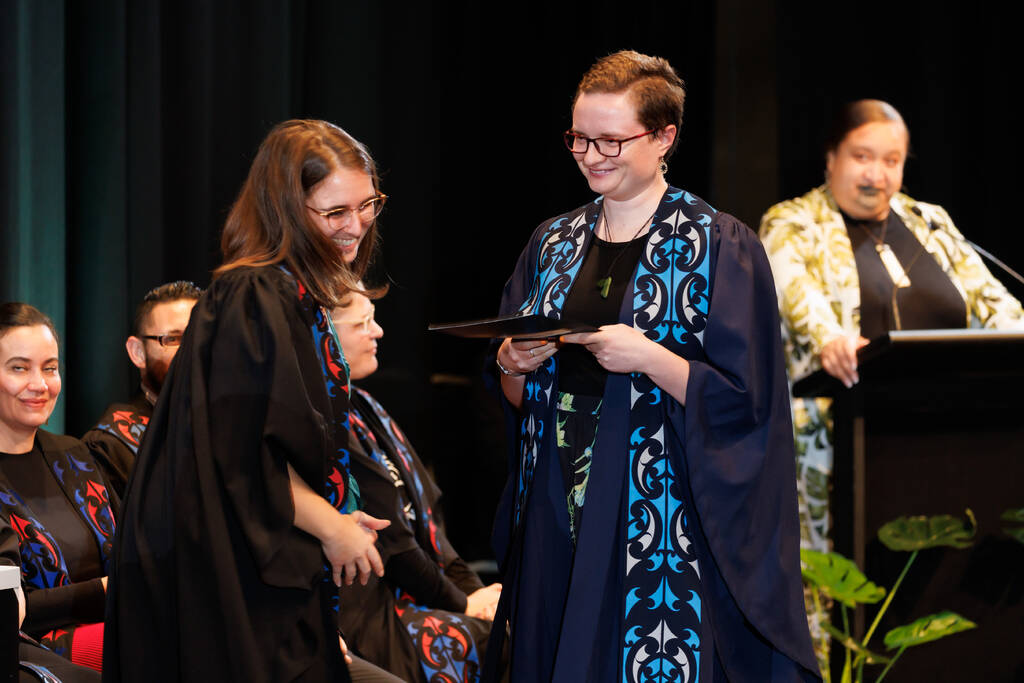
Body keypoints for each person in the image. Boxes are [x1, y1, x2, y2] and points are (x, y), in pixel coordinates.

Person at [488, 51, 820, 682]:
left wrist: (652, 359)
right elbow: (513, 398)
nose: (591, 155)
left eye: (612, 140)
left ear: (665, 137)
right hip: (558, 494)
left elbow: (748, 405)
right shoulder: (552, 242)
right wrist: (513, 361)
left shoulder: (719, 245)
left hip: (660, 506)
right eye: (579, 138)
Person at [103, 119, 393, 683]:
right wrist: (331, 528)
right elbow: (240, 456)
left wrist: (329, 517)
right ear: (286, 209)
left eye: (368, 204)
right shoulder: (253, 295)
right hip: (222, 571)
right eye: (335, 212)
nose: (356, 225)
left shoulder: (298, 295)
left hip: (257, 559)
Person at [758, 99, 1024, 668]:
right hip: (838, 445)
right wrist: (830, 336)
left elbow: (993, 305)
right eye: (862, 156)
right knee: (844, 615)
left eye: (892, 160)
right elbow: (791, 288)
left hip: (947, 444)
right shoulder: (793, 221)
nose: (877, 174)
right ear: (831, 158)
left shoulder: (931, 222)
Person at [332, 289, 501, 682]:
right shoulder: (329, 420)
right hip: (369, 608)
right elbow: (393, 541)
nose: (378, 331)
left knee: (513, 615)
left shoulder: (368, 407)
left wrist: (475, 594)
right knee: (502, 639)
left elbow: (434, 528)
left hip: (416, 591)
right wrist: (463, 604)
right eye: (361, 324)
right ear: (323, 335)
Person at [0, 302, 116, 678]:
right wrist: (105, 591)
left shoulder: (75, 454)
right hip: (32, 647)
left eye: (49, 368)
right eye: (19, 368)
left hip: (115, 623)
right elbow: (12, 604)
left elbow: (132, 551)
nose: (40, 384)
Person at [82, 281, 201, 498]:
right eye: (173, 339)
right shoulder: (110, 446)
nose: (192, 350)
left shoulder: (232, 423)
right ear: (137, 352)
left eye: (200, 335)